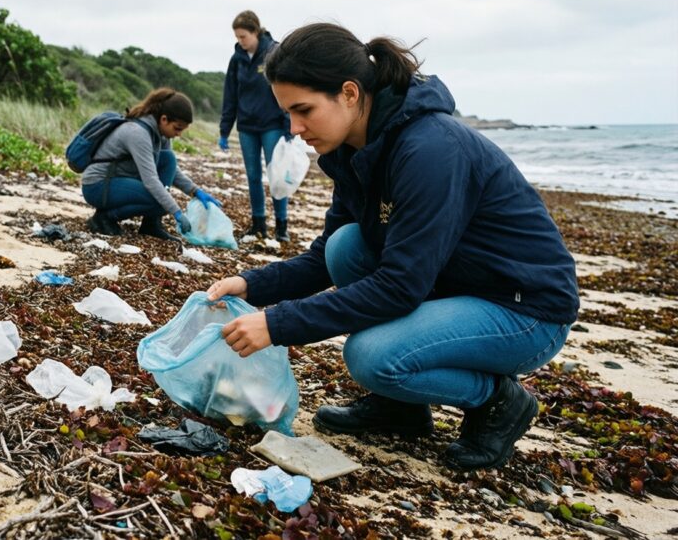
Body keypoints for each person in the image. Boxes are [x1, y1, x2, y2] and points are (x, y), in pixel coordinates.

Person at [206, 23, 579, 470]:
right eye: (287, 112)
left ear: (348, 93)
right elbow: (324, 258)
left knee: (371, 356)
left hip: (525, 310)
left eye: (303, 110)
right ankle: (401, 409)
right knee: (345, 246)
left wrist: (278, 324)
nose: (294, 128)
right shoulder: (353, 151)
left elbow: (400, 286)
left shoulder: (430, 150)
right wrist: (251, 286)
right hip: (453, 283)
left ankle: (499, 401)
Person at [81, 88, 221, 242]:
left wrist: (196, 191)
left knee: (168, 159)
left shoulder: (161, 134)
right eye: (177, 128)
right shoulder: (138, 133)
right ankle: (104, 218)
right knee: (160, 202)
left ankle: (151, 224)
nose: (179, 134)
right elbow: (150, 180)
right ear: (164, 119)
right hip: (98, 185)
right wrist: (177, 213)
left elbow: (172, 171)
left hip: (118, 180)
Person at [219, 10, 291, 242]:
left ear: (255, 32)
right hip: (247, 126)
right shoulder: (236, 59)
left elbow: (287, 88)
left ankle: (281, 226)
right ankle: (258, 223)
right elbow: (230, 95)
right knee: (252, 176)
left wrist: (289, 124)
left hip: (272, 124)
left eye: (243, 37)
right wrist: (224, 130)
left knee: (276, 174)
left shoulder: (273, 52)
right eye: (237, 37)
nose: (240, 41)